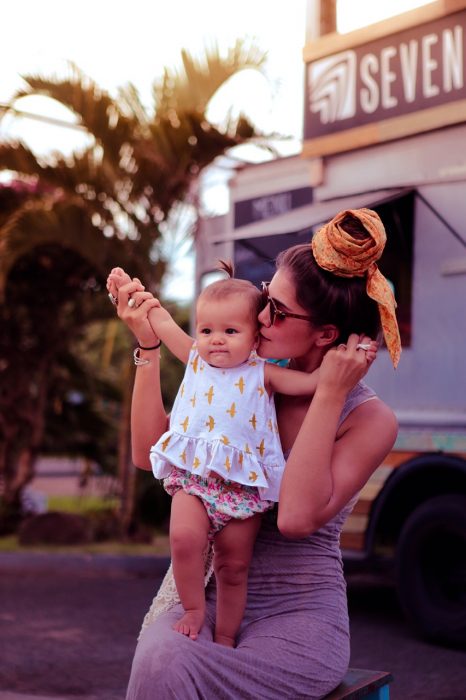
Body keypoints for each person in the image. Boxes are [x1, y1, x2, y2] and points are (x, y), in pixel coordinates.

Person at [108, 207, 400, 699]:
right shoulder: (239, 368)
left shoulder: (370, 419)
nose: (260, 316)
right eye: (267, 297)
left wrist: (327, 393)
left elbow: (296, 519)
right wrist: (149, 345)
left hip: (299, 613)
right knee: (163, 660)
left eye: (278, 312)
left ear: (326, 334)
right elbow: (146, 454)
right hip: (212, 593)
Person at [108, 263, 368, 648]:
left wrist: (350, 358)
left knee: (234, 566)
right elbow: (158, 318)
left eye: (231, 331)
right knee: (182, 538)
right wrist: (131, 293)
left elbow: (315, 384)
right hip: (195, 482)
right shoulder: (197, 359)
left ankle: (227, 636)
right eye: (206, 330)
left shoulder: (263, 373)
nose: (215, 340)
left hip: (242, 493)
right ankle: (195, 610)